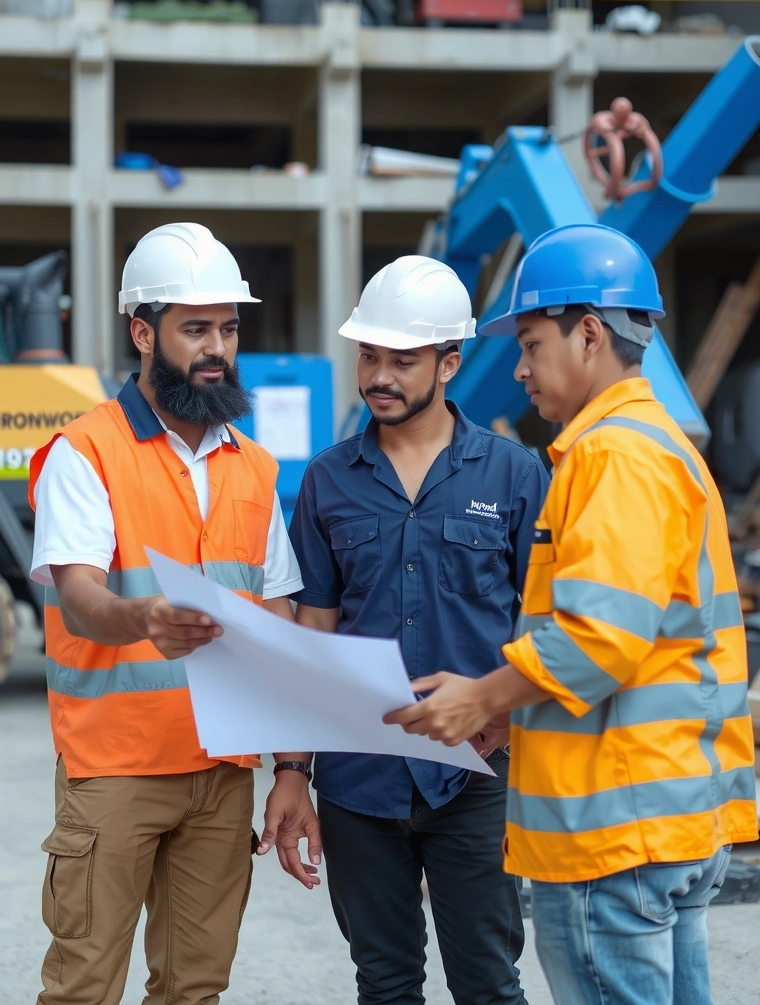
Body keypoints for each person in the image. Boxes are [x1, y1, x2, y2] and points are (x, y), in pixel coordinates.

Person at [385, 224, 758, 1005]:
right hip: (673, 814)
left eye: (530, 344)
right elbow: (648, 639)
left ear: (589, 333)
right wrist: (511, 718)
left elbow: (600, 640)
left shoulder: (610, 456)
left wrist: (482, 697)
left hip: (612, 836)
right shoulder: (661, 444)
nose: (518, 370)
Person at [27, 222, 320, 1005]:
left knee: (196, 989)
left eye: (228, 327)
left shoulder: (254, 466)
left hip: (223, 777)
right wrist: (145, 618)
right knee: (84, 986)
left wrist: (291, 767)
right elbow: (81, 599)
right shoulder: (84, 452)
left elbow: (281, 622)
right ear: (143, 332)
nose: (217, 346)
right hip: (115, 770)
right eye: (196, 329)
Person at [277, 255, 550, 1005]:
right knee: (385, 983)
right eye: (370, 355)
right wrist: (292, 771)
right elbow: (315, 631)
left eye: (403, 359)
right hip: (359, 780)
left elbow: (548, 623)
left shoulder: (514, 474)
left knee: (490, 984)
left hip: (478, 775)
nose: (380, 376)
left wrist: (518, 736)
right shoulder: (328, 480)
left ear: (450, 363)